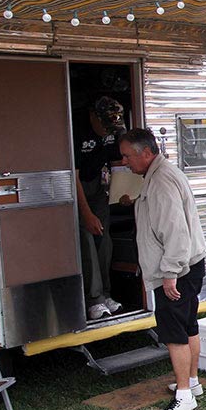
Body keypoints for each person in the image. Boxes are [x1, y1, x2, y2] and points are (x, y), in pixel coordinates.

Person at [119, 129, 206, 410]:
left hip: (177, 269)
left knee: (173, 331)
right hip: (188, 265)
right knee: (188, 324)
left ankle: (183, 396)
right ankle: (192, 382)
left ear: (146, 153)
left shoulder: (160, 181)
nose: (124, 162)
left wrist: (170, 273)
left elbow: (175, 231)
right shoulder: (161, 174)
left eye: (127, 156)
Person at [75, 96, 125, 320]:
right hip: (79, 185)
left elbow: (117, 164)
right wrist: (86, 214)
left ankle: (106, 294)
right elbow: (73, 176)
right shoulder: (77, 129)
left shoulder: (113, 130)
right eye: (104, 126)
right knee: (86, 237)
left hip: (98, 185)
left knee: (104, 239)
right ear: (93, 116)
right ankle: (93, 299)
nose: (107, 131)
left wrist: (123, 192)